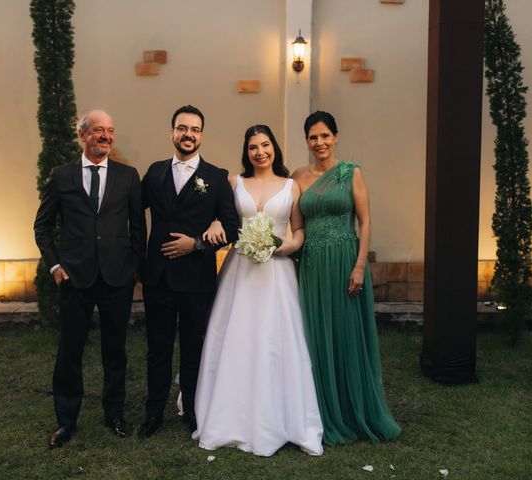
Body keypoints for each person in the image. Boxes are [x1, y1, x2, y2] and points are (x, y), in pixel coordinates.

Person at [192, 125, 323, 457]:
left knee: (277, 341)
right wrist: (216, 224)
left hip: (277, 272)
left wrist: (283, 247)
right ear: (246, 152)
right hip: (241, 270)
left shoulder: (291, 186)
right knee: (237, 338)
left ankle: (282, 418)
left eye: (265, 145)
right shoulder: (234, 183)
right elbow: (220, 217)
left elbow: (298, 230)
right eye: (253, 147)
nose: (260, 152)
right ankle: (228, 414)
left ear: (274, 148)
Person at [34, 110, 146, 449]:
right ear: (83, 136)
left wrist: (133, 270)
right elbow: (42, 226)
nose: (106, 137)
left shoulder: (128, 176)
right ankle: (66, 421)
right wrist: (55, 267)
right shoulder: (62, 176)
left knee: (116, 351)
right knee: (70, 350)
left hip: (116, 279)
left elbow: (139, 229)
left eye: (111, 131)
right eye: (99, 130)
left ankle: (114, 415)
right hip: (74, 278)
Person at [292, 111, 401, 445]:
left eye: (325, 135)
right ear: (307, 141)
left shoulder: (351, 173)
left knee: (345, 334)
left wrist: (359, 266)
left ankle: (355, 411)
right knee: (316, 337)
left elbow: (365, 222)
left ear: (335, 137)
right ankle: (322, 413)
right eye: (313, 137)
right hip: (311, 266)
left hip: (344, 263)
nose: (320, 142)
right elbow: (296, 226)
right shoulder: (297, 176)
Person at [139, 105, 240, 438]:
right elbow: (131, 215)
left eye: (195, 129)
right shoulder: (153, 173)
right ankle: (153, 413)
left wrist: (196, 244)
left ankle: (194, 411)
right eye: (182, 128)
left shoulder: (215, 177)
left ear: (201, 135)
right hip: (158, 278)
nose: (188, 134)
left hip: (197, 279)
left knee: (194, 347)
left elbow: (232, 225)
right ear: (172, 132)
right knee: (158, 348)